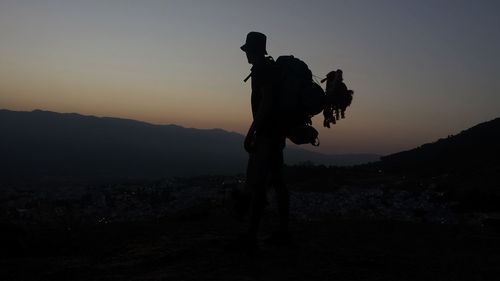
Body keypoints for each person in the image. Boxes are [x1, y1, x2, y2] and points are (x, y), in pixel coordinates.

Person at [240, 32, 290, 247]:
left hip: (266, 135)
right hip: (277, 134)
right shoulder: (271, 69)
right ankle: (283, 231)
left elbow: (266, 102)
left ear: (253, 50)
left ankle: (251, 235)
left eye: (247, 50)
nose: (246, 55)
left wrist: (251, 132)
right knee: (278, 183)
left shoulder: (261, 70)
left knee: (259, 185)